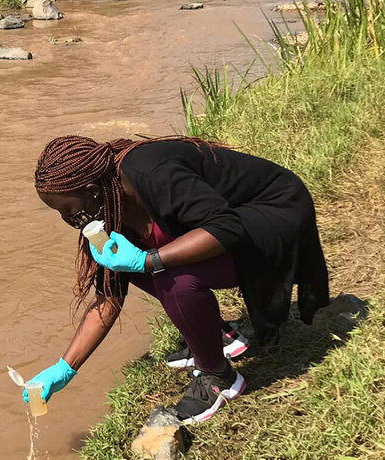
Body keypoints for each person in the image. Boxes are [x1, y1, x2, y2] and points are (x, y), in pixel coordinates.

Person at [23, 135, 329, 423]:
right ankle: (214, 334)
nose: (69, 221)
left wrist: (148, 260)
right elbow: (108, 299)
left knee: (173, 275)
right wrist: (64, 368)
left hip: (275, 213)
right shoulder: (107, 206)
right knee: (141, 265)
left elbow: (227, 228)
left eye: (68, 211)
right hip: (234, 223)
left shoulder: (151, 173)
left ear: (91, 190)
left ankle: (218, 377)